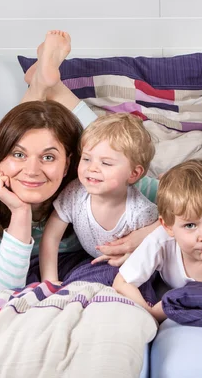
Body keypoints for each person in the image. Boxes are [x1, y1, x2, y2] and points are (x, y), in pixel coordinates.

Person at [0, 30, 158, 293]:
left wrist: (142, 236)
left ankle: (43, 84)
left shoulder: (93, 177)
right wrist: (20, 212)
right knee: (27, 131)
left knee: (108, 143)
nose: (31, 171)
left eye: (48, 157)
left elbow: (188, 205)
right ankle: (45, 86)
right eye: (18, 155)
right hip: (4, 164)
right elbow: (0, 287)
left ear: (68, 164)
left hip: (82, 154)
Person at [113, 159, 202, 323]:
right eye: (190, 225)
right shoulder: (161, 240)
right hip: (165, 291)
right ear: (168, 226)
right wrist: (150, 314)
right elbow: (122, 282)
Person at [39, 113, 159, 284]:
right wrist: (49, 279)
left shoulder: (140, 212)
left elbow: (164, 241)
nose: (92, 168)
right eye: (86, 158)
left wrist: (136, 256)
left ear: (134, 174)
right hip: (91, 260)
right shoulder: (75, 194)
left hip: (131, 266)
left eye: (106, 163)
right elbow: (51, 237)